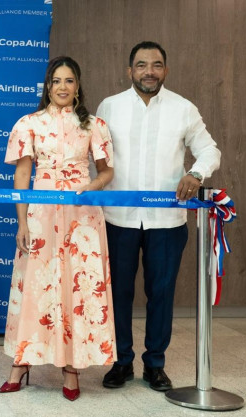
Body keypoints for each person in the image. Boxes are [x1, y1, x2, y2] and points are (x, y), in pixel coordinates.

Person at [97, 41, 221, 392]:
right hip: (118, 218)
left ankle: (155, 364)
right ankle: (121, 362)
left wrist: (196, 174)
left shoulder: (184, 108)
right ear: (129, 70)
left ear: (165, 70)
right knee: (118, 293)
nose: (148, 71)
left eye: (156, 64)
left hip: (167, 222)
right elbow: (94, 152)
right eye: (141, 65)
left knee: (161, 293)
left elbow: (209, 148)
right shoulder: (110, 106)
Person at [0, 56, 116, 402]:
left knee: (77, 288)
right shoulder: (29, 124)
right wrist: (22, 221)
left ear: (78, 85)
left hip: (83, 218)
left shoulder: (95, 125)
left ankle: (72, 367)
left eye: (69, 80)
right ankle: (21, 364)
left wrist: (89, 190)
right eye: (56, 81)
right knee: (36, 284)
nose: (62, 87)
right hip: (41, 215)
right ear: (47, 86)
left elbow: (107, 172)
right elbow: (22, 176)